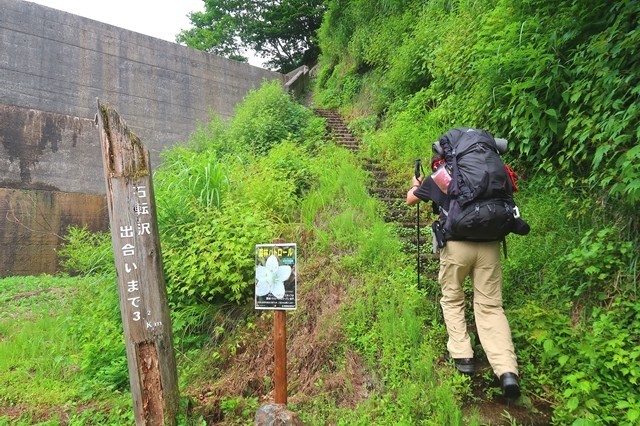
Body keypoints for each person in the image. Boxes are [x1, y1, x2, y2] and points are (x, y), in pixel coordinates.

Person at [406, 142, 521, 400]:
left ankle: (462, 356)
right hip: (490, 246)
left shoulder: (446, 173)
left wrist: (415, 183)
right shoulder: (493, 169)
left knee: (453, 297)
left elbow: (411, 199)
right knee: (491, 306)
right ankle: (507, 371)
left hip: (457, 246)